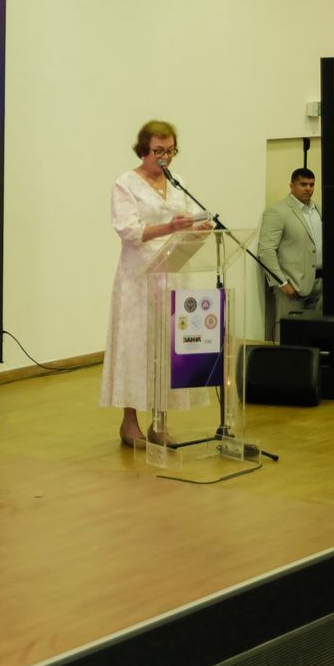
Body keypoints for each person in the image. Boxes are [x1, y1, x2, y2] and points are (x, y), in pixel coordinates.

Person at [101, 119, 212, 447]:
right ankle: (129, 422)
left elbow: (191, 218)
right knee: (136, 348)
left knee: (168, 348)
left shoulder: (179, 183)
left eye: (170, 151)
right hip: (138, 279)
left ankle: (160, 421)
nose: (165, 158)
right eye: (158, 151)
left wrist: (198, 228)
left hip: (173, 276)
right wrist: (170, 227)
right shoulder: (126, 184)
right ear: (143, 150)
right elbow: (128, 230)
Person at [257, 167, 324, 338]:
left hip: (319, 283)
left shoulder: (318, 209)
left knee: (315, 334)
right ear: (292, 186)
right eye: (303, 184)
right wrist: (282, 283)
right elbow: (266, 251)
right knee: (288, 334)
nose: (308, 188)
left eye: (311, 184)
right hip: (292, 286)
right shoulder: (277, 211)